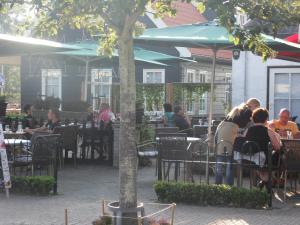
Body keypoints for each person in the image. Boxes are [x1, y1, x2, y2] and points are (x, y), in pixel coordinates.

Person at [215, 103, 252, 185]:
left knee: (219, 165)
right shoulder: (245, 114)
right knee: (229, 165)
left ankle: (217, 185)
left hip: (220, 139)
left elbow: (218, 133)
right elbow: (242, 129)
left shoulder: (232, 114)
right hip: (230, 143)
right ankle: (229, 186)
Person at [244, 108, 281, 190]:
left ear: (253, 118)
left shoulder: (247, 131)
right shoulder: (269, 131)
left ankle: (264, 181)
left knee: (260, 163)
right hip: (266, 160)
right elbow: (278, 147)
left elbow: (244, 144)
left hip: (250, 159)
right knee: (280, 155)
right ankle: (267, 181)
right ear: (266, 119)